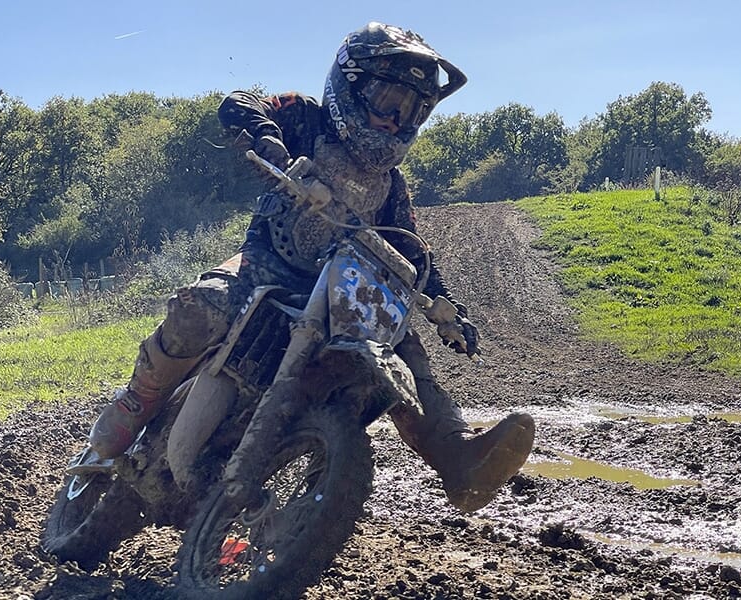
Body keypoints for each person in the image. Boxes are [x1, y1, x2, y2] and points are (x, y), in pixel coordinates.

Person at [89, 22, 535, 513]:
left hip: (344, 293)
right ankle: (138, 399)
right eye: (387, 100)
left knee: (403, 351)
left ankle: (457, 455)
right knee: (200, 308)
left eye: (410, 110)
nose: (394, 120)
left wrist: (447, 306)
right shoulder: (305, 118)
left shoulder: (391, 184)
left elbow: (412, 250)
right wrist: (266, 139)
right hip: (269, 264)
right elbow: (239, 101)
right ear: (351, 87)